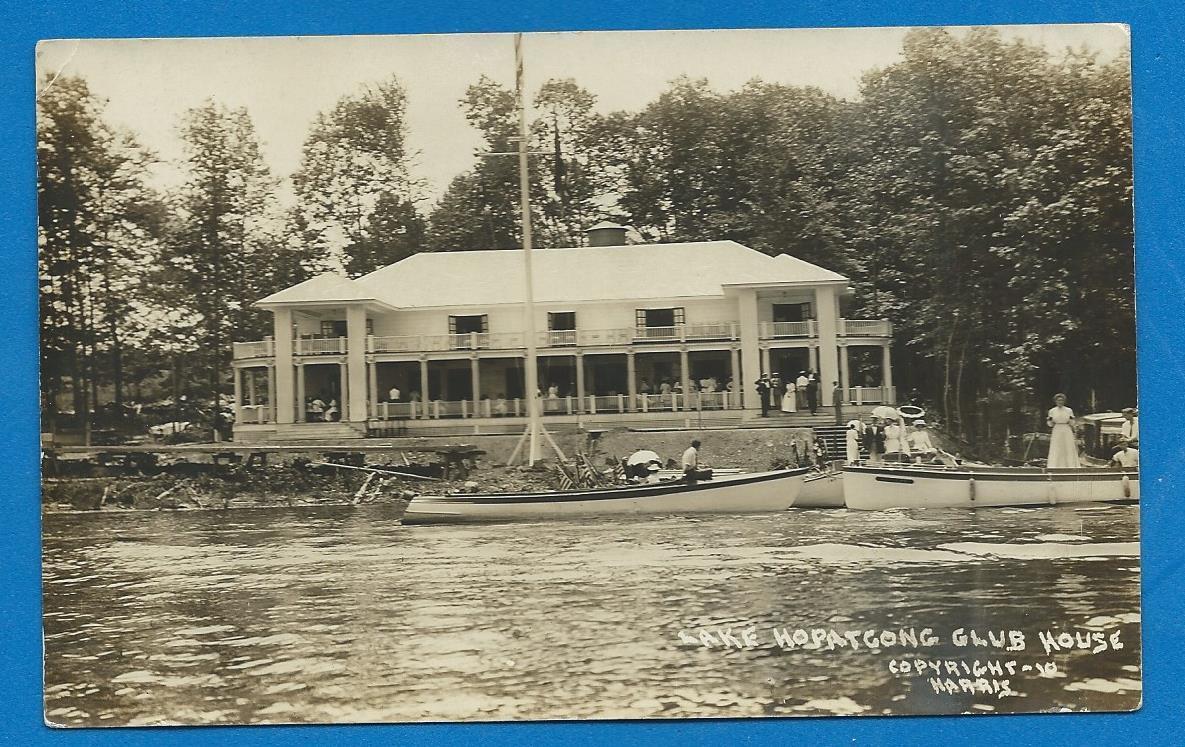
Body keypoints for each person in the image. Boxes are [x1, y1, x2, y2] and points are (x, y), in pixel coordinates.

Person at [1046, 393, 1081, 468]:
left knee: (1068, 446)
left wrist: (1071, 421)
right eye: (1058, 400)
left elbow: (1072, 422)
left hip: (1066, 429)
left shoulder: (1068, 410)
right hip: (1057, 430)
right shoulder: (1052, 411)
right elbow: (1050, 424)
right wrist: (1050, 421)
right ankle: (1055, 465)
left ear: (1064, 401)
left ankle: (1070, 465)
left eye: (1061, 400)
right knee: (1057, 447)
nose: (1060, 402)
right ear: (1055, 401)